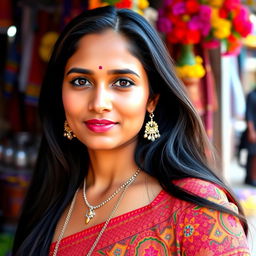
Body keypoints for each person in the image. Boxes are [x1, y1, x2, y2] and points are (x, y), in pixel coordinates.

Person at [13, 6, 250, 256]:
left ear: (152, 99)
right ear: (59, 93)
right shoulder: (51, 200)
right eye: (81, 81)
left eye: (122, 82)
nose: (99, 103)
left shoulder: (196, 209)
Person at [245, 88, 256, 186]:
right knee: (253, 155)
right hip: (253, 130)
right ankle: (252, 178)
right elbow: (249, 115)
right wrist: (251, 131)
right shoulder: (251, 95)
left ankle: (250, 178)